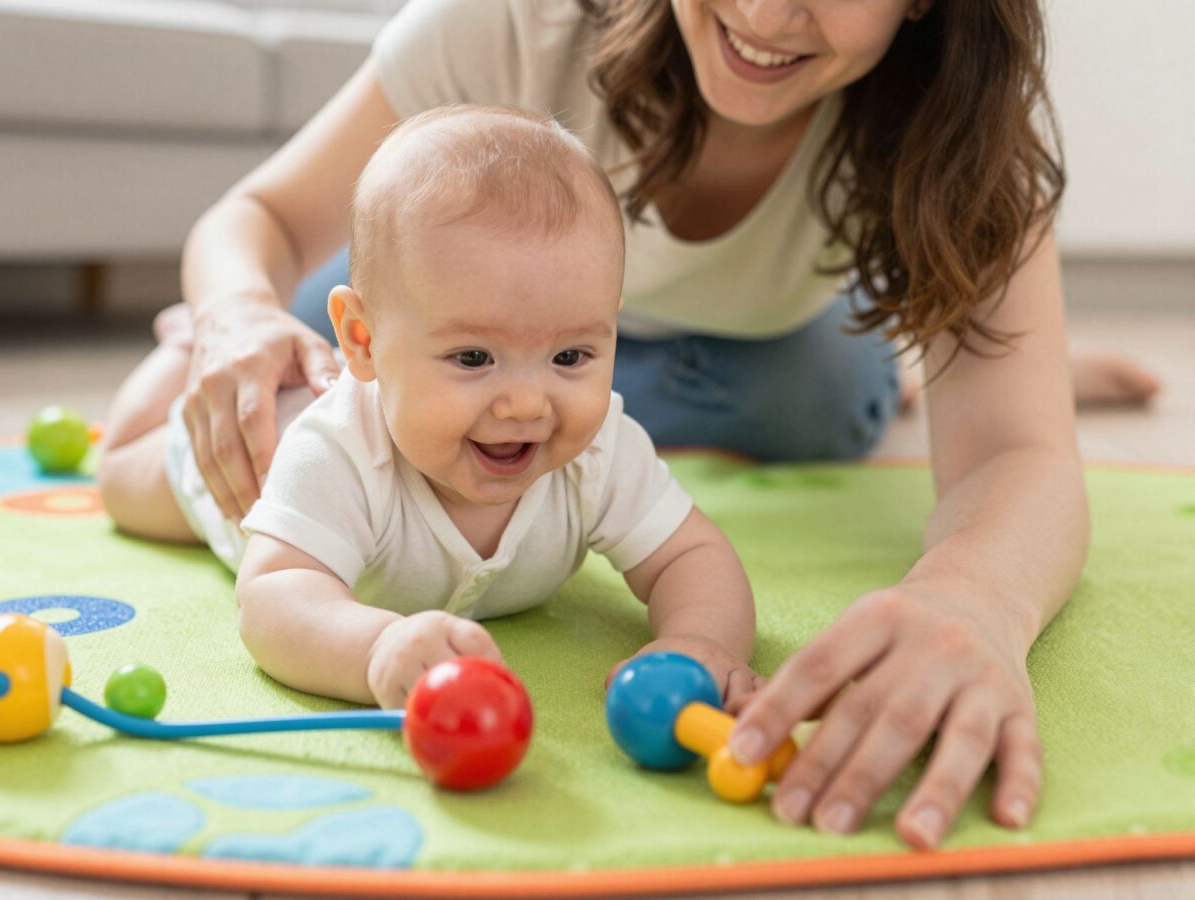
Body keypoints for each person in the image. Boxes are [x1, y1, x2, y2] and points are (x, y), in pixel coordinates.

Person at [161, 0, 1158, 849]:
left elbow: (1018, 454)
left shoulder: (957, 119)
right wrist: (234, 313)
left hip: (769, 354)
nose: (766, 18)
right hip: (462, 325)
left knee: (818, 396)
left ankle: (920, 365)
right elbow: (261, 219)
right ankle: (923, 365)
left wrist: (976, 599)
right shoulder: (521, 19)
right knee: (240, 390)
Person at [97, 105, 759, 711]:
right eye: (473, 358)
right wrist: (377, 648)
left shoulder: (602, 450)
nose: (528, 403)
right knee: (126, 480)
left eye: (571, 357)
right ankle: (184, 348)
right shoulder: (334, 454)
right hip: (258, 441)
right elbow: (273, 601)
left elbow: (692, 556)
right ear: (362, 340)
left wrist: (700, 640)